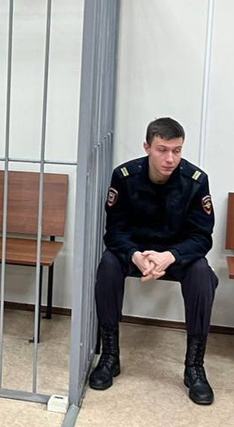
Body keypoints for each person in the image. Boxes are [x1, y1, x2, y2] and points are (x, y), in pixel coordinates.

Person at [90, 117, 218, 405]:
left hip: (175, 254)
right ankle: (110, 356)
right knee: (108, 264)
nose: (170, 158)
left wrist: (169, 257)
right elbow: (115, 231)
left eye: (177, 150)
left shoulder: (196, 181)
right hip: (136, 252)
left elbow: (202, 237)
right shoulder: (124, 176)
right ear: (147, 147)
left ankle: (194, 367)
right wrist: (135, 256)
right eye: (162, 150)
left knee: (202, 274)